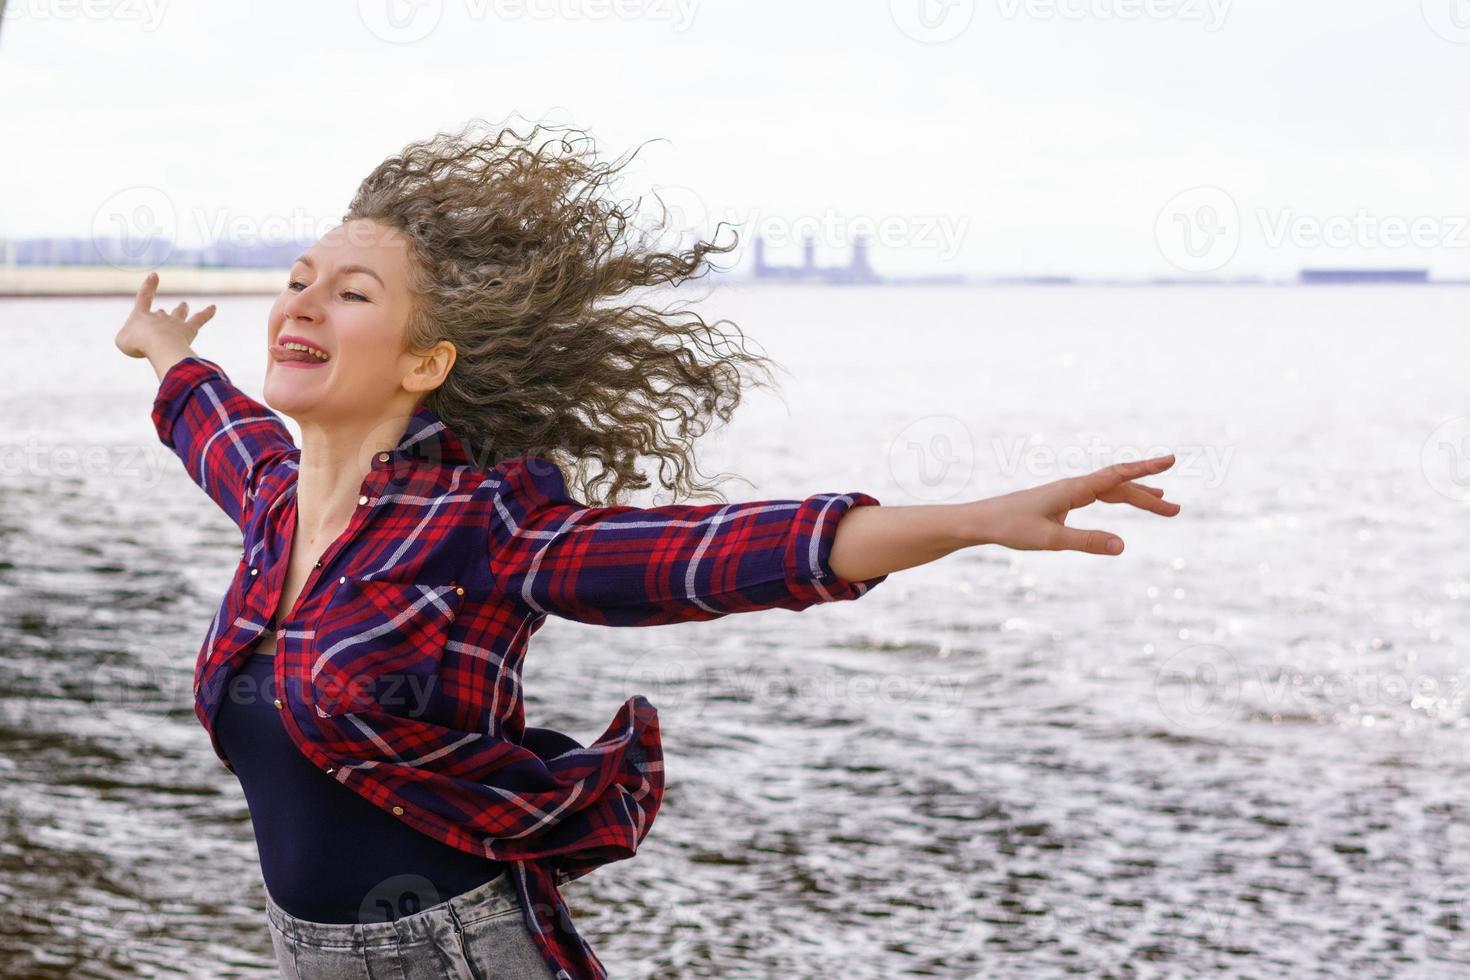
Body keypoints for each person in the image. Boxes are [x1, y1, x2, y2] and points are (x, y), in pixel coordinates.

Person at [113, 119, 1181, 980]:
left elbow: (713, 553)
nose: (302, 302)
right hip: (303, 954)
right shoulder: (274, 501)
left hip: (460, 955)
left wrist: (971, 517)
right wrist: (166, 346)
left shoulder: (485, 524)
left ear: (426, 358)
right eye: (300, 277)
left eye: (351, 293)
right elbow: (210, 414)